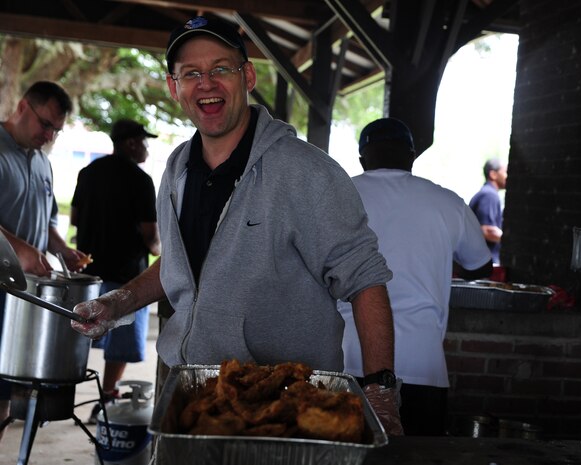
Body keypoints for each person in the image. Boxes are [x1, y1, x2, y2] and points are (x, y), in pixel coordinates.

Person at [70, 16, 403, 435]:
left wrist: (380, 393)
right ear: (175, 89)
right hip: (191, 395)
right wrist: (116, 304)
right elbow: (181, 265)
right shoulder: (176, 169)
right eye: (191, 73)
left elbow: (366, 282)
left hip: (285, 406)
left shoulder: (306, 173)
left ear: (247, 75)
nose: (206, 83)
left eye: (220, 69)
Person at [338, 117, 493, 435]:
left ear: (362, 159)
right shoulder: (447, 202)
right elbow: (481, 267)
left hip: (347, 359)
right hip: (424, 365)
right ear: (411, 156)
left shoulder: (337, 197)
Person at [0, 81, 89, 441]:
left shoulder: (42, 162)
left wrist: (62, 249)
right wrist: (20, 250)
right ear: (23, 107)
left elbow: (47, 218)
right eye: (45, 124)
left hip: (21, 299)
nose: (49, 135)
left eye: (56, 129)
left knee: (5, 390)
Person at [70, 119, 161, 423]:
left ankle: (63, 396)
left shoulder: (87, 173)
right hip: (126, 279)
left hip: (87, 274)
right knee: (120, 347)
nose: (147, 147)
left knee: (79, 336)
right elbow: (151, 239)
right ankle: (106, 399)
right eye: (144, 142)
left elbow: (75, 219)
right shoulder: (141, 180)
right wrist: (164, 253)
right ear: (132, 144)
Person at [469, 158, 507, 264]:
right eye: (505, 172)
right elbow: (487, 230)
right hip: (484, 262)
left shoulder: (485, 193)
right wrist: (511, 242)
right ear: (493, 174)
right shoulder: (490, 195)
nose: (508, 176)